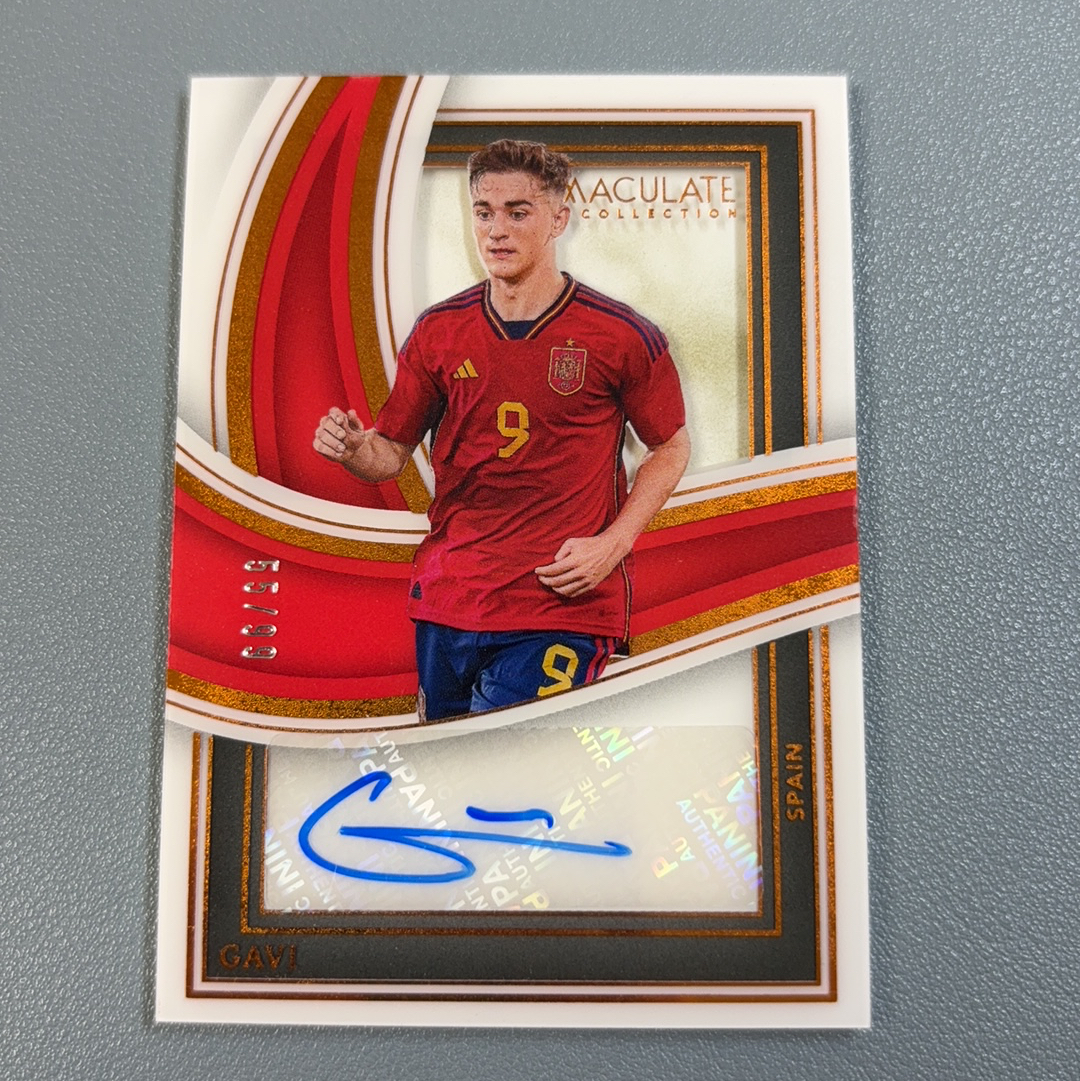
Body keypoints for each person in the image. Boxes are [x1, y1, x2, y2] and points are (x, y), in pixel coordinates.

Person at [314, 139, 689, 721]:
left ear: (559, 219)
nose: (496, 231)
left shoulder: (620, 335)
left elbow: (670, 445)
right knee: (447, 772)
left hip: (559, 605)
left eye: (518, 212)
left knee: (510, 764)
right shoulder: (439, 331)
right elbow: (389, 452)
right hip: (450, 599)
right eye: (484, 213)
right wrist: (353, 449)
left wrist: (613, 544)